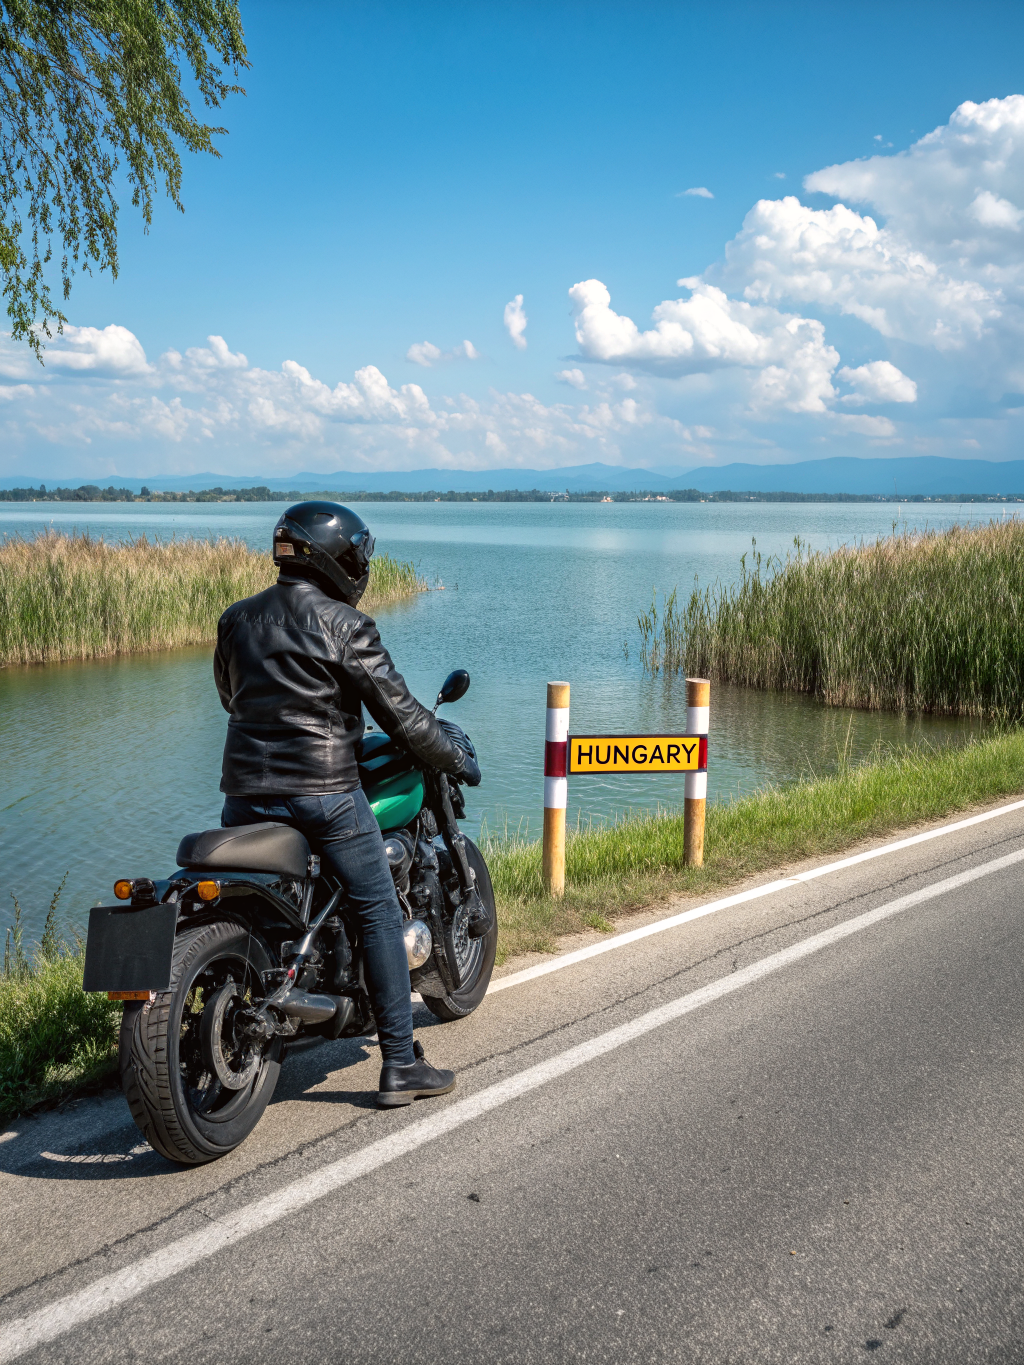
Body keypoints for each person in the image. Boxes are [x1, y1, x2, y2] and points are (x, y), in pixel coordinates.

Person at [213, 500, 483, 1107]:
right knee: (379, 909)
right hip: (326, 797)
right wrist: (455, 757)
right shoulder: (344, 625)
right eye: (357, 556)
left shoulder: (236, 620)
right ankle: (401, 1063)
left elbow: (232, 699)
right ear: (336, 559)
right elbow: (405, 718)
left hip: (243, 800)